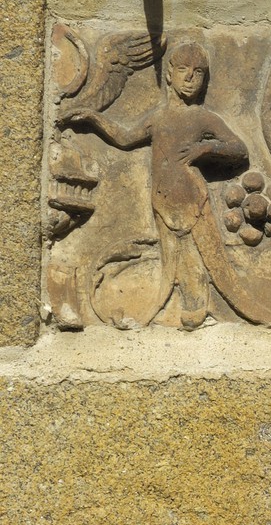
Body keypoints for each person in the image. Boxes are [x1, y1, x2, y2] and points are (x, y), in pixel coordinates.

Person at [60, 42, 249, 329]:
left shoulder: (203, 117)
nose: (190, 78)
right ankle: (165, 308)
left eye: (198, 72)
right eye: (183, 70)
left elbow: (239, 149)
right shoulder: (159, 117)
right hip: (162, 199)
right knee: (169, 258)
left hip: (191, 197)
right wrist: (92, 117)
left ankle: (197, 308)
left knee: (200, 256)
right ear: (169, 75)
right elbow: (125, 138)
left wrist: (206, 148)